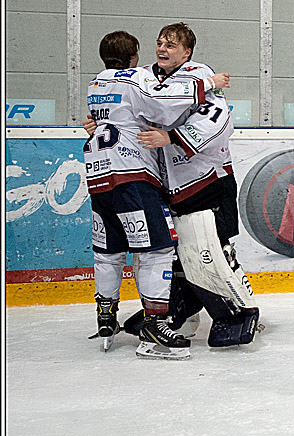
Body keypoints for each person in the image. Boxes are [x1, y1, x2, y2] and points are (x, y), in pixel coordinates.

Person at [86, 23, 259, 348]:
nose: (163, 49)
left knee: (212, 250)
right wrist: (105, 121)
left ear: (187, 52)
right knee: (177, 255)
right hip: (169, 185)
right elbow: (136, 110)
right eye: (160, 43)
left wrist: (172, 137)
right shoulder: (144, 76)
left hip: (208, 180)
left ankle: (237, 311)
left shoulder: (198, 73)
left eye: (171, 45)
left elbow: (220, 120)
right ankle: (181, 313)